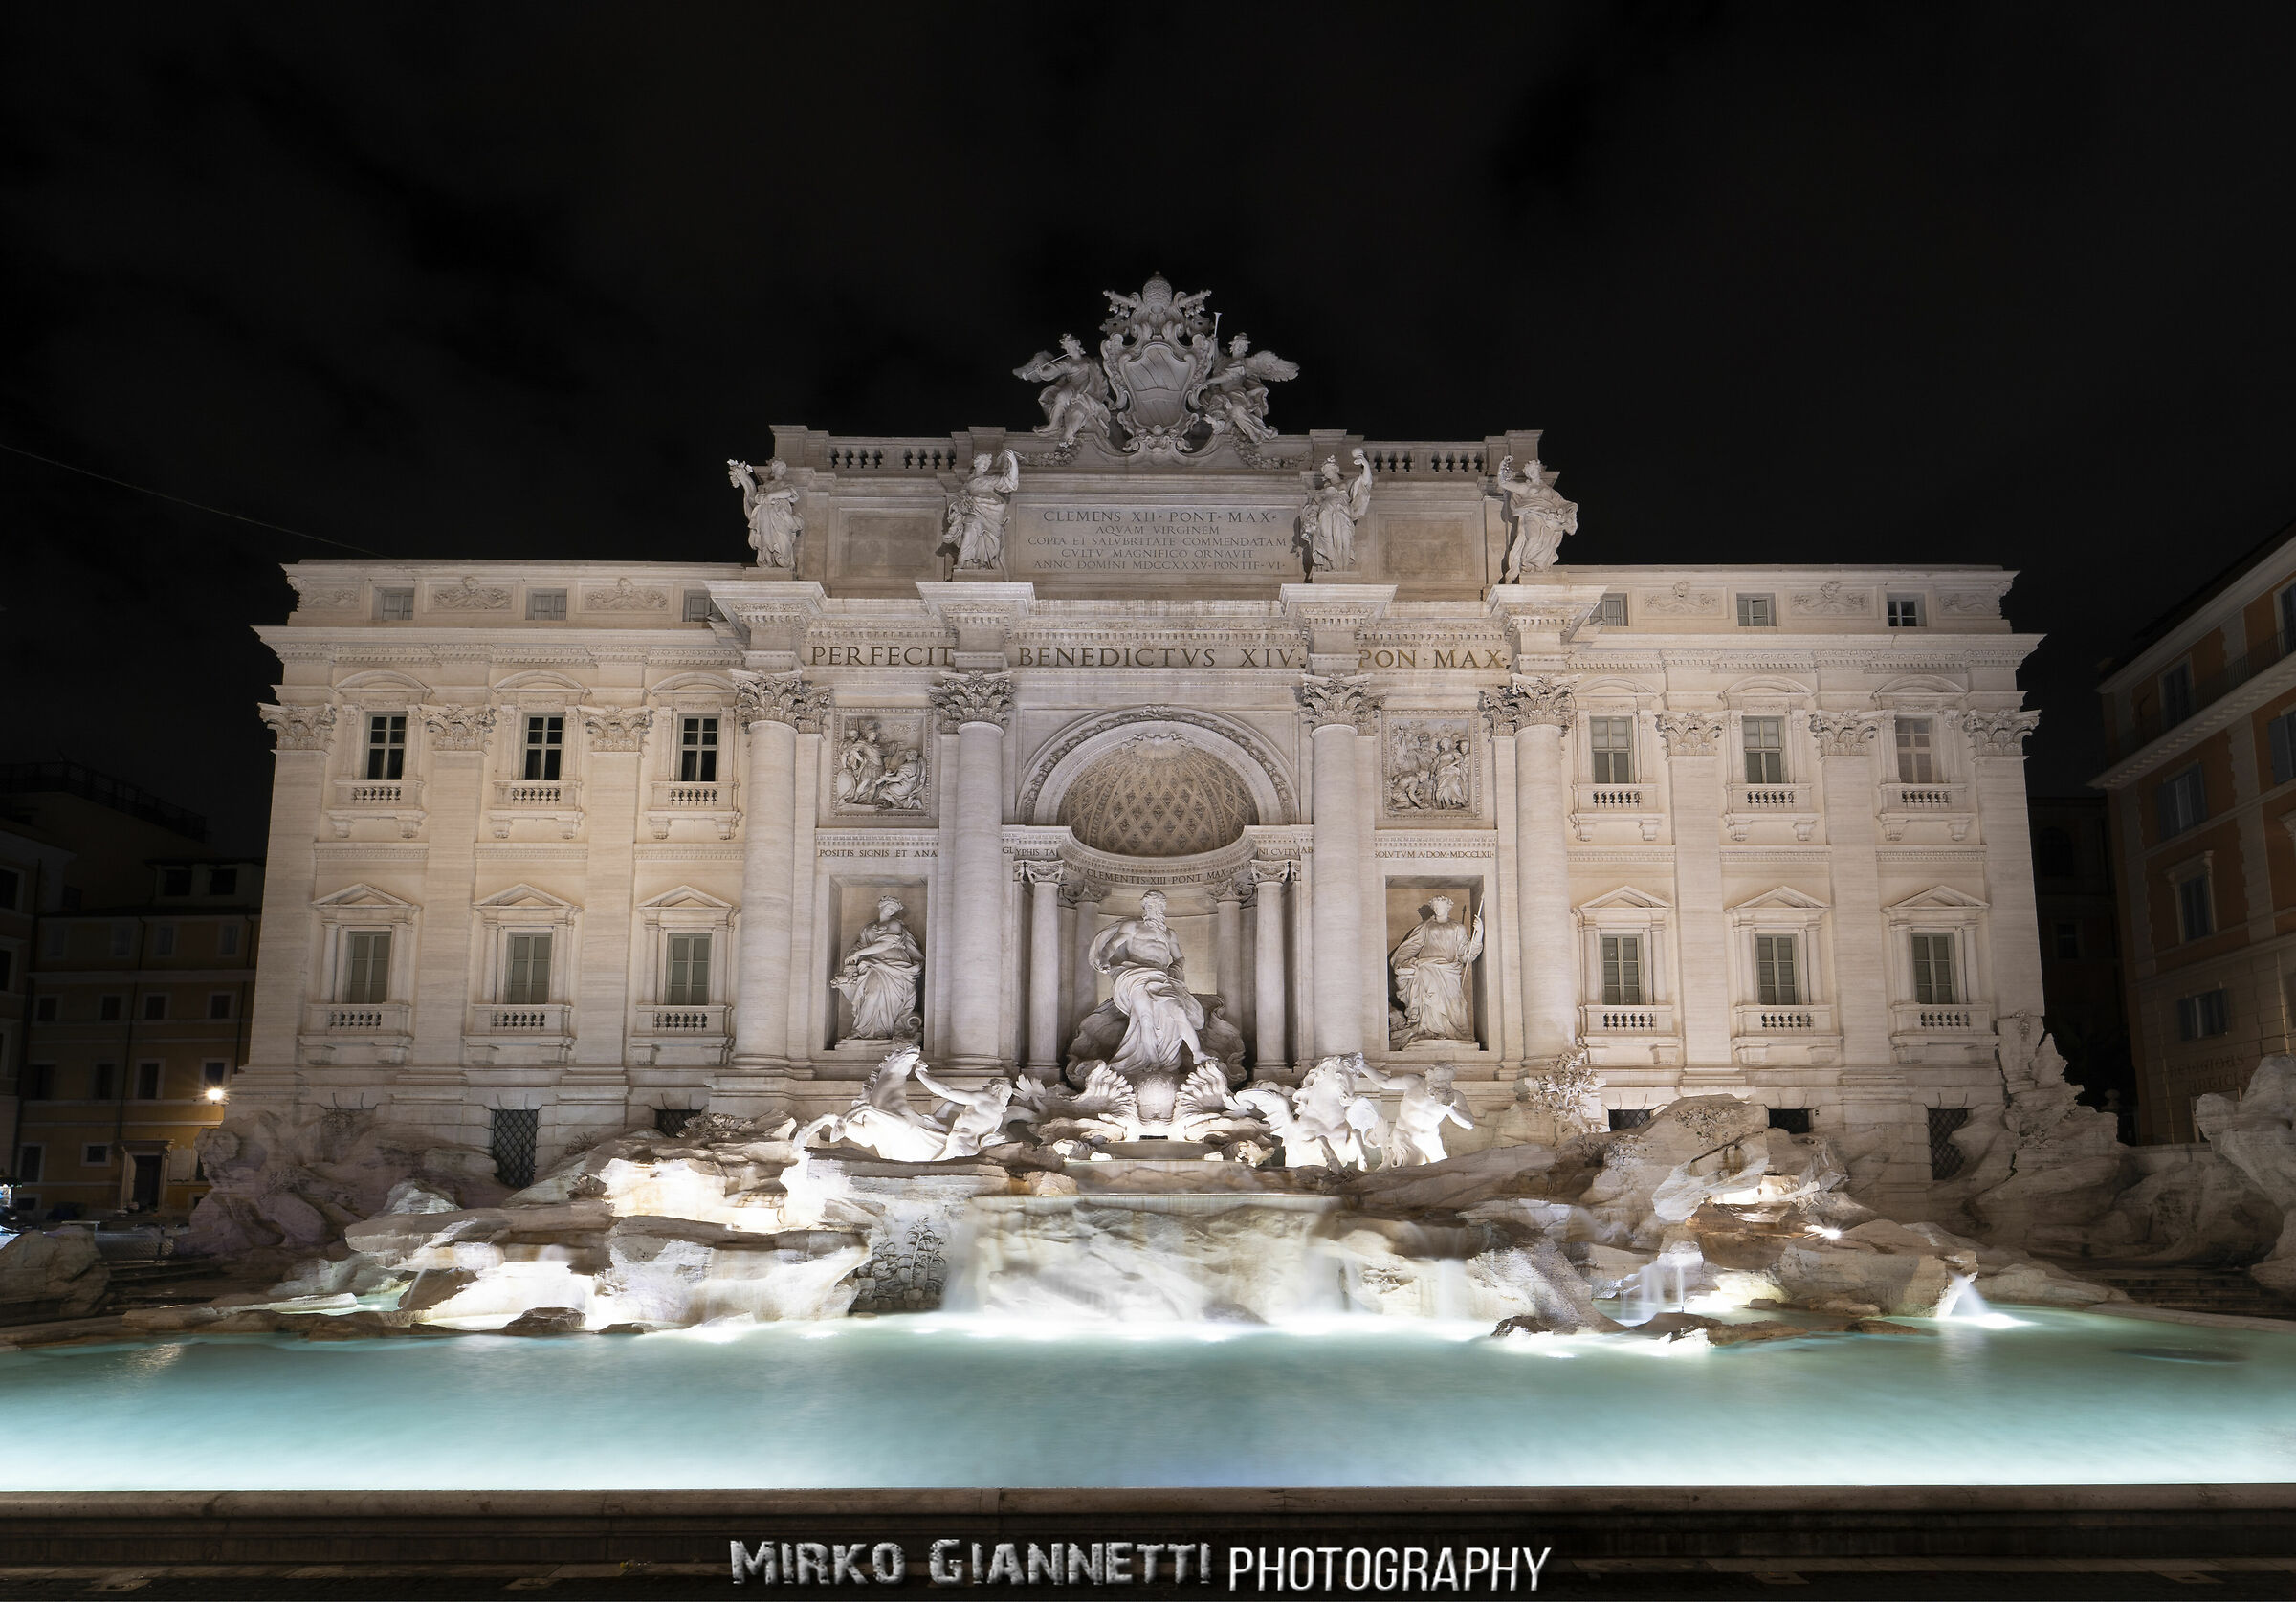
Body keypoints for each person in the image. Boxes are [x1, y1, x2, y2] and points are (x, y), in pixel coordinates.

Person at [1086, 889, 1205, 1077]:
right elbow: (1112, 945)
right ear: (1144, 907)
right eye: (1149, 905)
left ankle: (1197, 1053)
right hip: (1135, 975)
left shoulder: (1170, 934)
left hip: (1161, 977)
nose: (1153, 909)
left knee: (1178, 1010)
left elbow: (1179, 957)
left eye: (1157, 905)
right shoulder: (1132, 926)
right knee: (1145, 1018)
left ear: (1163, 908)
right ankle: (1154, 1061)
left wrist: (1175, 969)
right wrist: (1104, 959)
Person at [1389, 895, 1485, 1045]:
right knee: (1428, 998)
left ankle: (1451, 1031)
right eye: (1435, 906)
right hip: (1426, 967)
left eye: (1440, 906)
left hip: (1449, 971)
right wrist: (1401, 962)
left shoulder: (1457, 927)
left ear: (1448, 907)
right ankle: (1427, 1030)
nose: (1437, 909)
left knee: (1452, 1002)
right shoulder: (1426, 926)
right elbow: (1412, 945)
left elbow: (1466, 952)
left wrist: (1479, 934)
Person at [831, 896, 924, 1042]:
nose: (892, 910)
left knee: (889, 999)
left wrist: (859, 953)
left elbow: (885, 944)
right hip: (873, 965)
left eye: (895, 909)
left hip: (894, 966)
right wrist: (852, 956)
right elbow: (860, 946)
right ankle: (862, 1030)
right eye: (890, 906)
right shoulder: (868, 927)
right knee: (871, 995)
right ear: (881, 906)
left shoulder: (895, 924)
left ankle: (883, 1031)